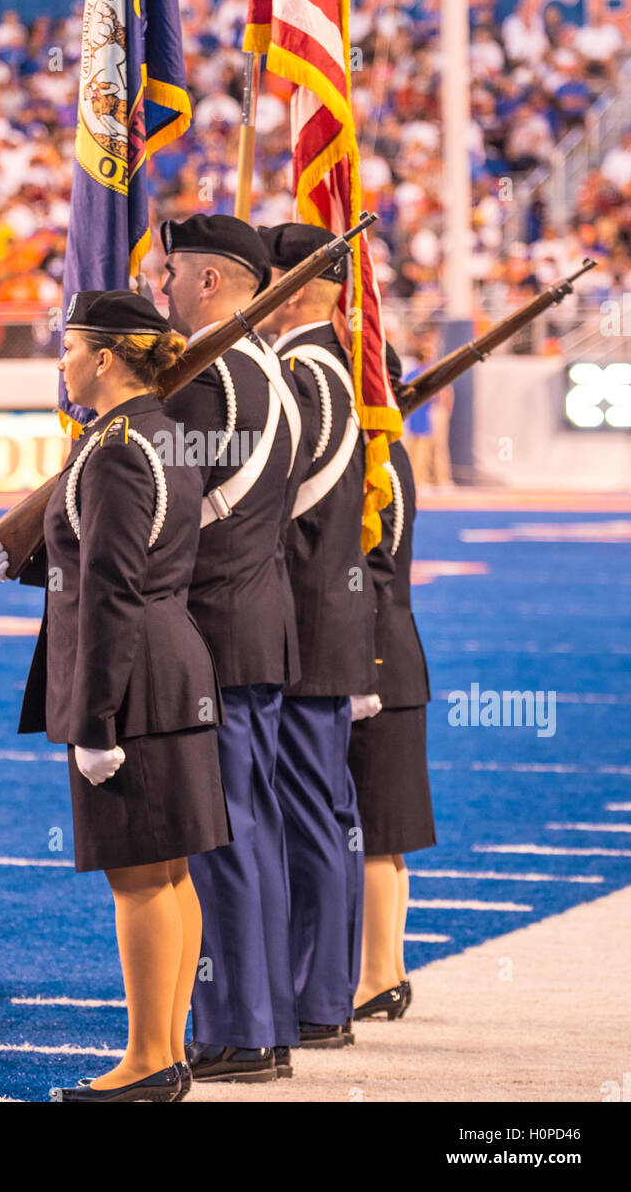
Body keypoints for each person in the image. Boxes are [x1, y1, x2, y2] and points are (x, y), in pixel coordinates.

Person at [0, 289, 231, 1102]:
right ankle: (168, 1049)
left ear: (106, 357)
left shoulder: (117, 446)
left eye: (71, 346)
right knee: (168, 871)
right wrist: (25, 557)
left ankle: (147, 1060)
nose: (62, 361)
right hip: (167, 665)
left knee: (140, 876)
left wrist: (94, 722)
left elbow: (115, 586)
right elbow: (108, 556)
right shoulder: (153, 432)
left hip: (135, 679)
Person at [160, 213, 305, 1083]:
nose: (163, 287)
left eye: (172, 272)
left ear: (210, 281)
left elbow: (164, 508)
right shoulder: (269, 373)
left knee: (221, 836)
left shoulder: (207, 377)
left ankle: (239, 1027)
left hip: (212, 629)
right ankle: (264, 1020)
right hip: (258, 623)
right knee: (251, 831)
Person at [260, 222, 377, 1049]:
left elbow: (274, 499)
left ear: (294, 288)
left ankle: (316, 997)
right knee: (326, 814)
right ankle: (325, 993)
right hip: (328, 620)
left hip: (302, 621)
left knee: (308, 817)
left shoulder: (302, 373)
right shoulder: (330, 367)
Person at [349, 344, 436, 1021]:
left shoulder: (375, 463)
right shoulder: (391, 457)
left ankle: (377, 974)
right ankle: (389, 968)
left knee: (376, 829)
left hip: (374, 659)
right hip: (396, 654)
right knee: (386, 830)